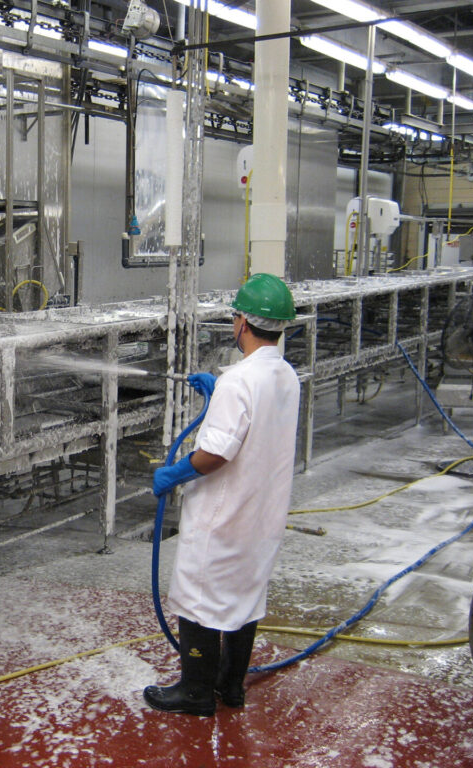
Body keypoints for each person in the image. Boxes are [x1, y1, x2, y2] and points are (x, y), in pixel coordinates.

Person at [144, 272, 301, 717]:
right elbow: (257, 423)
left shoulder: (239, 381)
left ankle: (194, 693)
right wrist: (219, 396)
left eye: (235, 317)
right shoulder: (286, 375)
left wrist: (173, 474)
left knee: (199, 598)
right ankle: (230, 687)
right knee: (244, 598)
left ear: (243, 324)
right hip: (261, 516)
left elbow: (214, 455)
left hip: (223, 516)